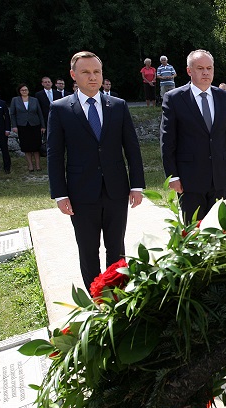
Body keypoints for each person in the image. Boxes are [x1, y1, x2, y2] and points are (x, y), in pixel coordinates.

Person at [49, 51, 146, 291]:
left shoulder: (118, 106)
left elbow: (132, 148)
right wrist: (60, 194)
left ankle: (118, 294)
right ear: (73, 75)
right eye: (86, 72)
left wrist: (136, 185)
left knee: (116, 247)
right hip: (81, 193)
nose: (92, 78)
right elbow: (54, 154)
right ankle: (97, 298)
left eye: (97, 72)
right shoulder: (61, 109)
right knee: (88, 250)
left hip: (116, 190)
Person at [161, 49, 226, 223]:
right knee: (193, 233)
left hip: (220, 176)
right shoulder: (174, 99)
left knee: (218, 232)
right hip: (189, 180)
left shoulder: (225, 97)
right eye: (200, 68)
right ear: (189, 70)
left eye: (209, 68)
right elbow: (167, 141)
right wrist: (173, 176)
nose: (206, 72)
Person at [9, 84, 44, 171]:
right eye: (22, 90)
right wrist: (14, 125)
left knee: (36, 146)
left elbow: (40, 113)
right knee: (26, 147)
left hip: (35, 125)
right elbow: (12, 114)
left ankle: (38, 165)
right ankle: (30, 165)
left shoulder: (34, 100)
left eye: (26, 90)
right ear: (19, 91)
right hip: (22, 126)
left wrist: (43, 126)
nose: (24, 91)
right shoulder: (15, 100)